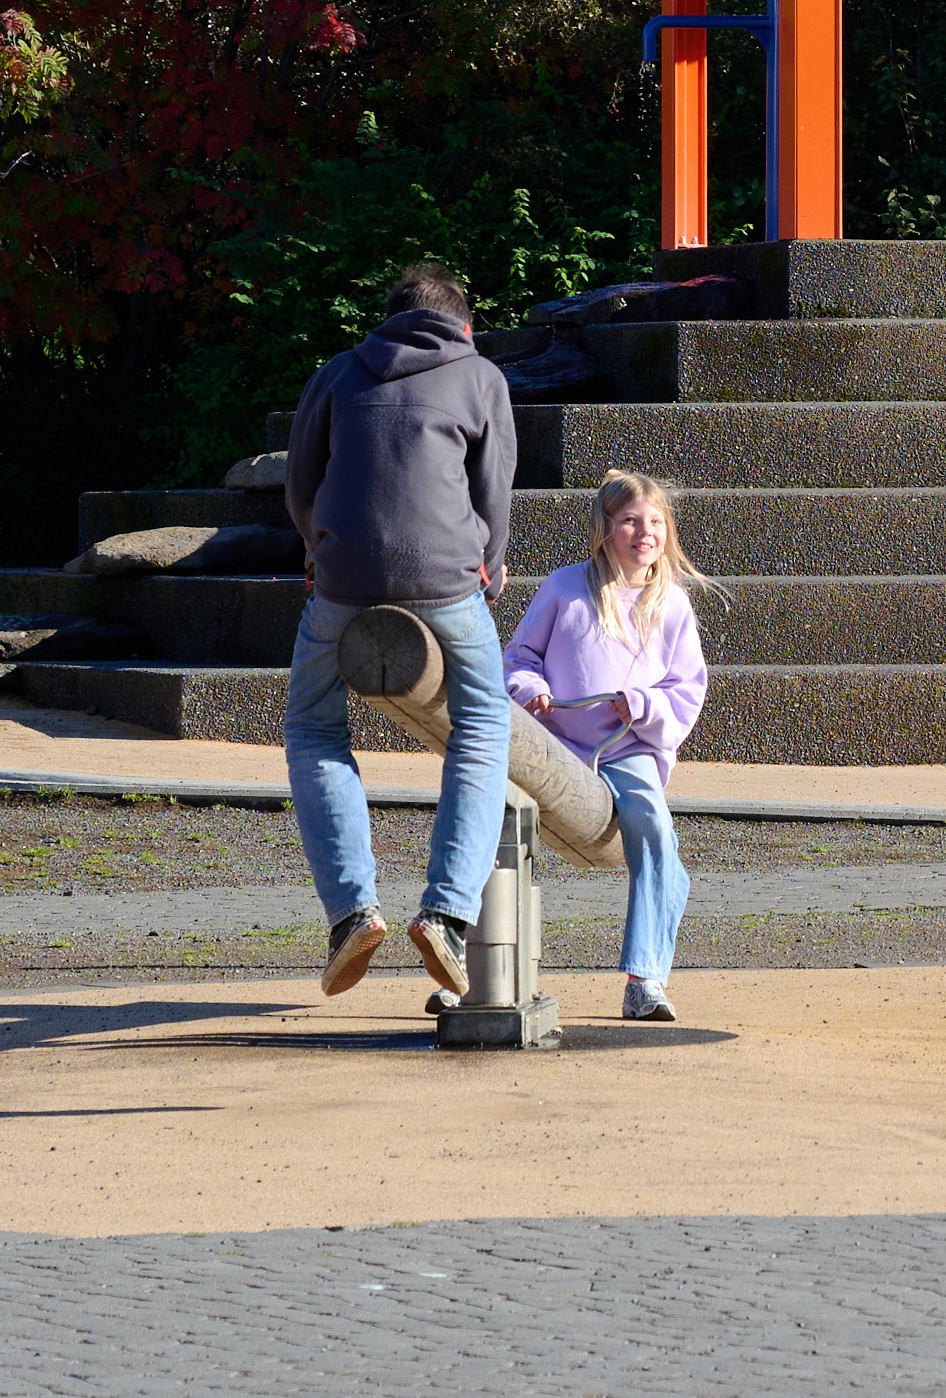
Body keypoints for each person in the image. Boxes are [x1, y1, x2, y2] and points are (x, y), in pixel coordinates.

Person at [280, 261, 519, 1001]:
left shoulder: (338, 372)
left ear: (387, 319)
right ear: (464, 323)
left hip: (343, 579)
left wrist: (318, 551)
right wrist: (492, 563)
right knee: (482, 724)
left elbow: (300, 479)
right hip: (449, 578)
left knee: (312, 729)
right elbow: (494, 486)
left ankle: (351, 913)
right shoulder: (479, 374)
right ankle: (446, 913)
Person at [506, 469, 712, 1023]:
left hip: (628, 749)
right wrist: (533, 689)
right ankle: (470, 969)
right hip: (553, 741)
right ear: (605, 530)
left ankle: (645, 979)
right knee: (488, 807)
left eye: (654, 523)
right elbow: (518, 658)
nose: (644, 533)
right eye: (629, 522)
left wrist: (642, 705)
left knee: (653, 823)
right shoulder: (564, 587)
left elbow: (686, 690)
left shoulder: (672, 606)